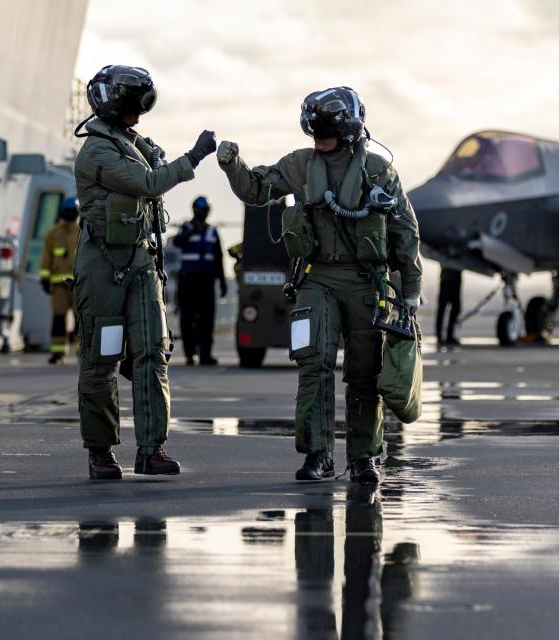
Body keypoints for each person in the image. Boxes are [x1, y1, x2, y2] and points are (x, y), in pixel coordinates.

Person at [216, 87, 422, 485]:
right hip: (318, 278)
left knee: (365, 373)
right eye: (316, 133)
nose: (320, 140)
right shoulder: (299, 165)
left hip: (366, 282)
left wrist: (410, 291)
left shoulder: (378, 171)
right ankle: (318, 455)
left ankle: (364, 457)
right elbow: (257, 190)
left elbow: (404, 231)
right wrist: (232, 165)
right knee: (313, 366)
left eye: (326, 133)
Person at [72, 64, 216, 480]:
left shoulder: (131, 143)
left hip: (141, 261)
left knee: (153, 354)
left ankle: (152, 449)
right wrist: (194, 156)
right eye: (133, 108)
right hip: (103, 266)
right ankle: (100, 451)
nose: (138, 116)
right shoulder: (97, 152)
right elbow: (150, 183)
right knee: (101, 358)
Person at [172, 196, 227, 366]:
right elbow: (177, 241)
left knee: (207, 319)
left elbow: (219, 257)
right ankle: (190, 354)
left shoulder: (212, 231)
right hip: (188, 280)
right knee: (187, 318)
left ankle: (205, 355)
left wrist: (222, 281)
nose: (202, 212)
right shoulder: (187, 228)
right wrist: (191, 231)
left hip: (206, 280)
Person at [40, 196, 80, 365]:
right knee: (58, 319)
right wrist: (44, 278)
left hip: (79, 285)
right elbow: (46, 258)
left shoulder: (83, 232)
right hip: (59, 286)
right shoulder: (54, 234)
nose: (70, 214)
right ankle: (58, 353)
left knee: (81, 320)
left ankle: (82, 352)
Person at [436, 267, 462, 346]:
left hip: (451, 280)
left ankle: (446, 336)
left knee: (453, 309)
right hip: (448, 280)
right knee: (443, 310)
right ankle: (443, 336)